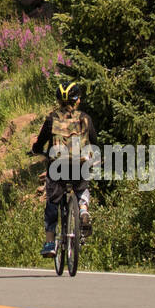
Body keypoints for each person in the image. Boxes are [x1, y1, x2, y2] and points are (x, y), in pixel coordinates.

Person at [31, 81, 95, 258]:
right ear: (78, 100)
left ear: (58, 101)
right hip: (80, 165)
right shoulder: (85, 118)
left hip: (58, 168)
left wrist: (36, 150)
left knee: (52, 201)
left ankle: (50, 242)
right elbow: (95, 142)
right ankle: (82, 209)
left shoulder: (52, 118)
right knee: (82, 189)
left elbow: (41, 141)